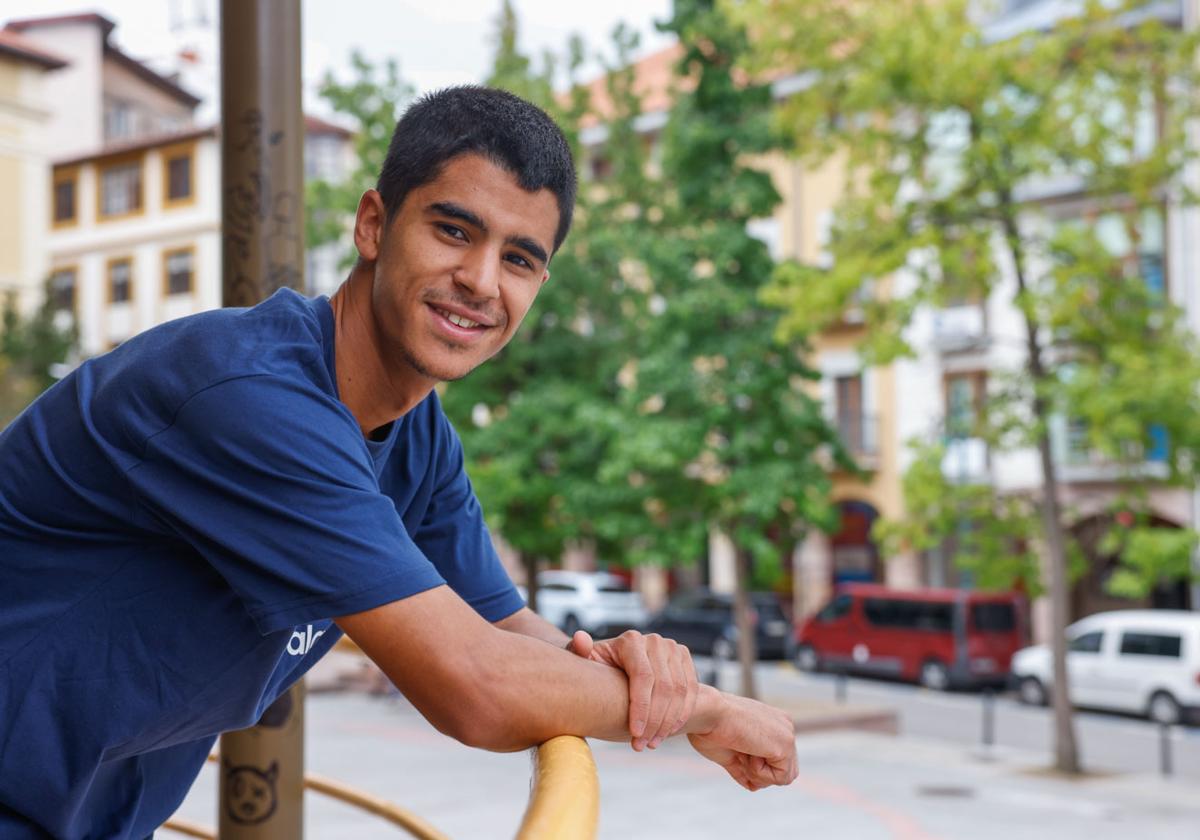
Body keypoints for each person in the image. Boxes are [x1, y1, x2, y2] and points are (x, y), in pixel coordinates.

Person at [0, 86, 798, 838]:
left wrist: (657, 675)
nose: (482, 282)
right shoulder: (248, 397)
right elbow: (476, 686)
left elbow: (505, 630)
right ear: (374, 226)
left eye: (520, 259)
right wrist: (702, 711)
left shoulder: (415, 434)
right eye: (454, 230)